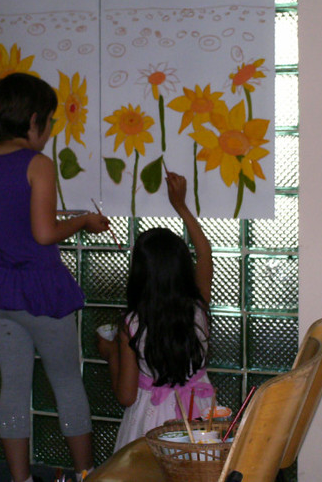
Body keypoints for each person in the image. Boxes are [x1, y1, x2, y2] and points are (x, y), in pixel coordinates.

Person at [0, 73, 109, 482]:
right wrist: (82, 221)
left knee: (13, 386)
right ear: (33, 121)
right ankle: (85, 475)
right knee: (67, 383)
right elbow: (44, 234)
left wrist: (7, 228)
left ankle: (21, 479)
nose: (51, 129)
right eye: (50, 120)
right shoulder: (38, 164)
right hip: (41, 292)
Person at [97, 171, 214, 451]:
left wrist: (111, 354)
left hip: (149, 424)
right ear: (183, 267)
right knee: (197, 467)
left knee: (148, 469)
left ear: (139, 275)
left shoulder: (131, 325)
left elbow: (126, 396)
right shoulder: (198, 308)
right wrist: (181, 206)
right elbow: (205, 253)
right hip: (198, 415)